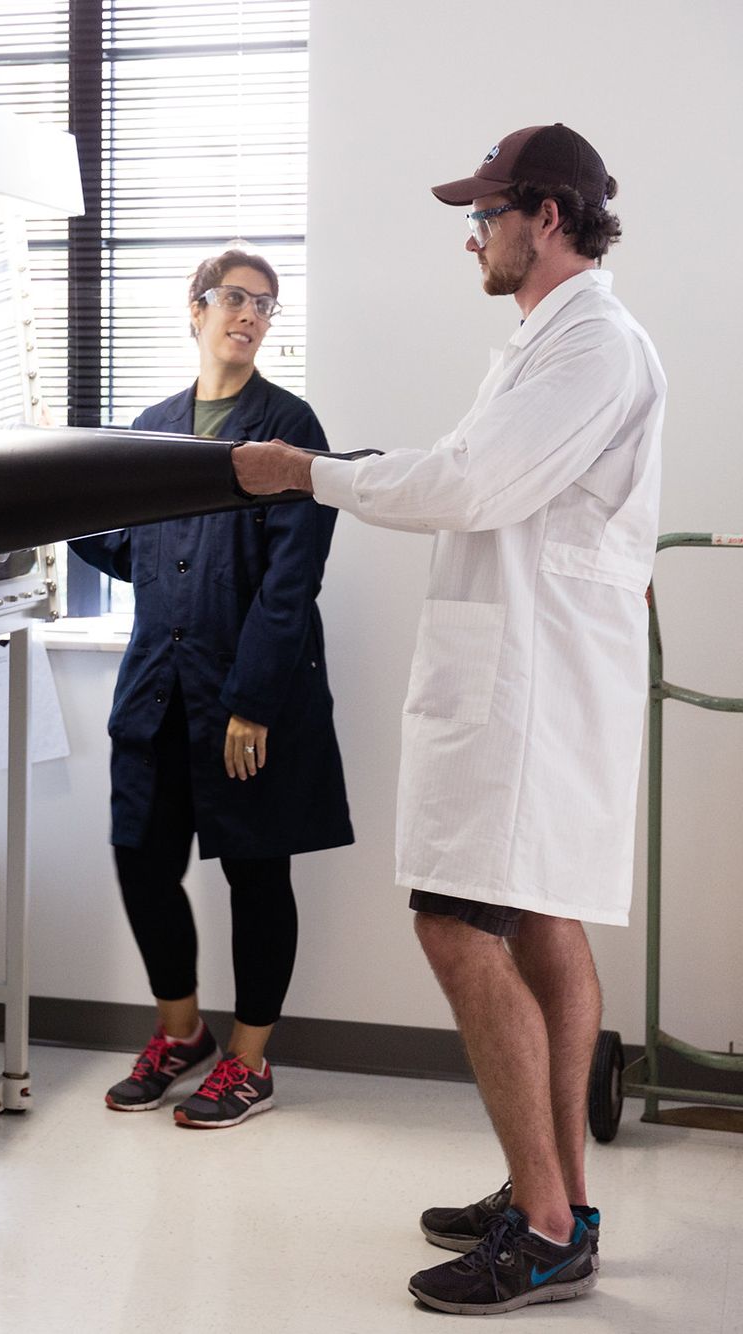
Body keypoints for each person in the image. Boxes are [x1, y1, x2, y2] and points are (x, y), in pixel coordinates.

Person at [232, 124, 663, 1315]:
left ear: (548, 214)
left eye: (483, 212)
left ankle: (537, 1225)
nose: (470, 234)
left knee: (454, 925)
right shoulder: (542, 342)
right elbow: (475, 470)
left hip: (526, 689)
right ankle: (559, 1203)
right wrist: (349, 468)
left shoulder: (592, 347)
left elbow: (467, 486)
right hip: (525, 677)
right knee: (535, 917)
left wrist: (307, 472)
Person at [71, 247, 353, 1131]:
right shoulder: (153, 430)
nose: (250, 315)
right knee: (141, 857)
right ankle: (181, 1031)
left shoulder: (289, 428)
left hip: (247, 694)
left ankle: (249, 1061)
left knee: (256, 873)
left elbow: (290, 581)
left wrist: (253, 703)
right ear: (194, 310)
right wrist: (57, 506)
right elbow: (136, 549)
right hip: (158, 687)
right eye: (234, 298)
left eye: (265, 306)